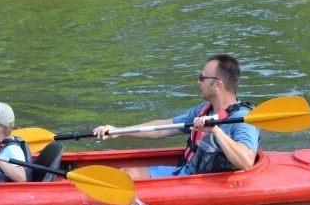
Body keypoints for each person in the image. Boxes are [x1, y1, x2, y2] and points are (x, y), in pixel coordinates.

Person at [93, 54, 259, 179]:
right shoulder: (203, 110)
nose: (198, 81)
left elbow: (246, 162)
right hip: (188, 171)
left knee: (127, 180)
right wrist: (118, 131)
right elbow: (161, 129)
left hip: (209, 182)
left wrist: (216, 131)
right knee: (126, 174)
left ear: (217, 85)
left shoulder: (244, 119)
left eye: (202, 78)